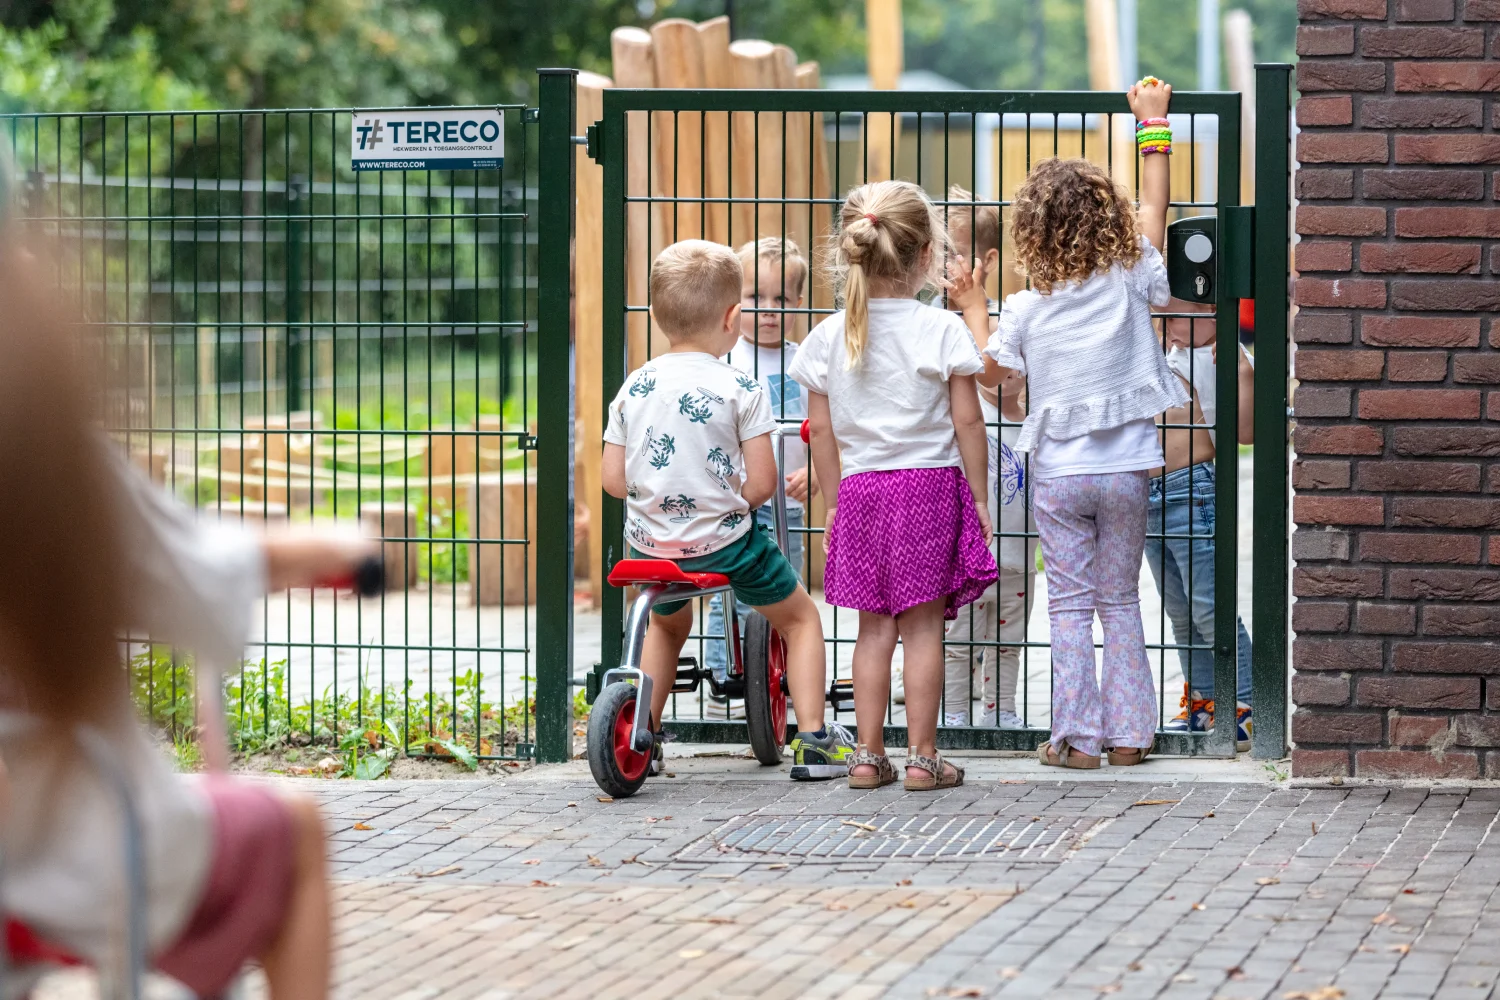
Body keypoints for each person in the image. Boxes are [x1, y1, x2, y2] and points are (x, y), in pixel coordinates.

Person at [0, 231, 374, 1000]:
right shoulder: (45, 456)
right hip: (74, 868)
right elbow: (201, 575)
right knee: (292, 828)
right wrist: (339, 545)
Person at [982, 77, 1186, 769]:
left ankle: (1076, 740)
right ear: (1109, 219)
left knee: (1068, 607)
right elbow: (1156, 207)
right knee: (1121, 601)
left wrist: (974, 312)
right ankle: (1130, 737)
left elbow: (992, 374)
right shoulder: (1131, 274)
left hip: (1059, 477)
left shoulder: (1025, 307)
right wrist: (1153, 125)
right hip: (1126, 471)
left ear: (1030, 232)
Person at [602, 239, 855, 781]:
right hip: (726, 546)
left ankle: (644, 732)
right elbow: (761, 484)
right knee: (801, 620)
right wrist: (722, 498)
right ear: (732, 317)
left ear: (656, 315)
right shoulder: (742, 386)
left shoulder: (634, 386)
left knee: (666, 625)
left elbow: (612, 482)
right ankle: (814, 743)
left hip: (651, 548)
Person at [790, 180, 997, 791]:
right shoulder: (941, 330)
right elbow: (969, 422)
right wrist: (979, 496)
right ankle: (924, 759)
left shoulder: (827, 336)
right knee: (923, 630)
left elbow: (821, 432)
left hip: (861, 494)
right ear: (927, 254)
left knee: (873, 630)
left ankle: (867, 756)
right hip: (928, 490)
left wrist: (834, 501)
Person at [704, 237, 816, 704]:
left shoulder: (805, 361)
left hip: (787, 502)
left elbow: (823, 426)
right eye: (756, 297)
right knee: (727, 590)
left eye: (781, 299)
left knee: (787, 586)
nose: (769, 310)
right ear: (735, 302)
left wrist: (814, 470)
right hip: (737, 499)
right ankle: (723, 677)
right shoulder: (726, 360)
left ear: (798, 303)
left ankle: (781, 677)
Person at [943, 185, 1038, 730]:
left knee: (1008, 638)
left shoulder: (1006, 322)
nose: (946, 269)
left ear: (988, 259)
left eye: (956, 254)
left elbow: (1002, 382)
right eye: (937, 255)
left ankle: (1003, 715)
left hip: (1017, 538)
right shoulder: (932, 329)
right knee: (956, 637)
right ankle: (955, 716)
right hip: (961, 534)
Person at [1149, 296, 1256, 749]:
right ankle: (1205, 702)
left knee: (1210, 606)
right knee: (1180, 611)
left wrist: (1240, 367)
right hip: (1147, 495)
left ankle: (1246, 704)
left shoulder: (1223, 354)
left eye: (1175, 315)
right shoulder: (1165, 350)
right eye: (1161, 315)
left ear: (1211, 311)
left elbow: (1247, 431)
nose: (1166, 324)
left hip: (1191, 489)